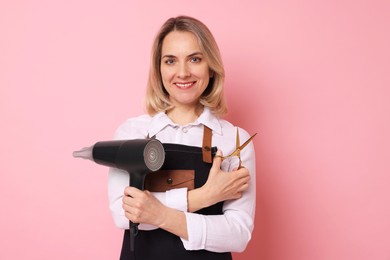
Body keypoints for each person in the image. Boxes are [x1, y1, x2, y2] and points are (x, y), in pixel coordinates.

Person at [108, 15, 256, 260]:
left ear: (211, 66)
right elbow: (122, 213)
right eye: (170, 61)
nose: (183, 72)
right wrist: (204, 197)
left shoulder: (234, 139)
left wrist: (159, 214)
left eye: (195, 59)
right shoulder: (132, 133)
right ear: (159, 68)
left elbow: (238, 234)